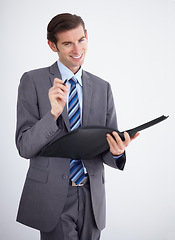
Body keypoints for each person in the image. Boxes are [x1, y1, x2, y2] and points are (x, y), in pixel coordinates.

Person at [15, 13, 139, 240]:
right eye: (67, 43)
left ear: (87, 36)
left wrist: (117, 152)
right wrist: (52, 114)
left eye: (81, 40)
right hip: (53, 195)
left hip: (93, 196)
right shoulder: (32, 81)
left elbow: (106, 145)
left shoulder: (103, 87)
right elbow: (24, 147)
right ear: (52, 45)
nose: (77, 50)